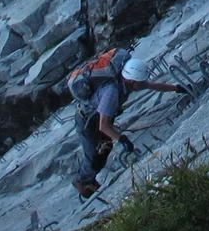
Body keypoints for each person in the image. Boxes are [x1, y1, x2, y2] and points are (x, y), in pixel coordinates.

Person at [68, 49, 188, 198]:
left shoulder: (127, 81)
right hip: (87, 122)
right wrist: (122, 139)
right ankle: (82, 181)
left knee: (105, 147)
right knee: (94, 153)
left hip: (98, 116)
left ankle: (89, 179)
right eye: (139, 82)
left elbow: (152, 85)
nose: (142, 83)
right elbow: (103, 126)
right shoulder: (111, 91)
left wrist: (177, 88)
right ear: (131, 80)